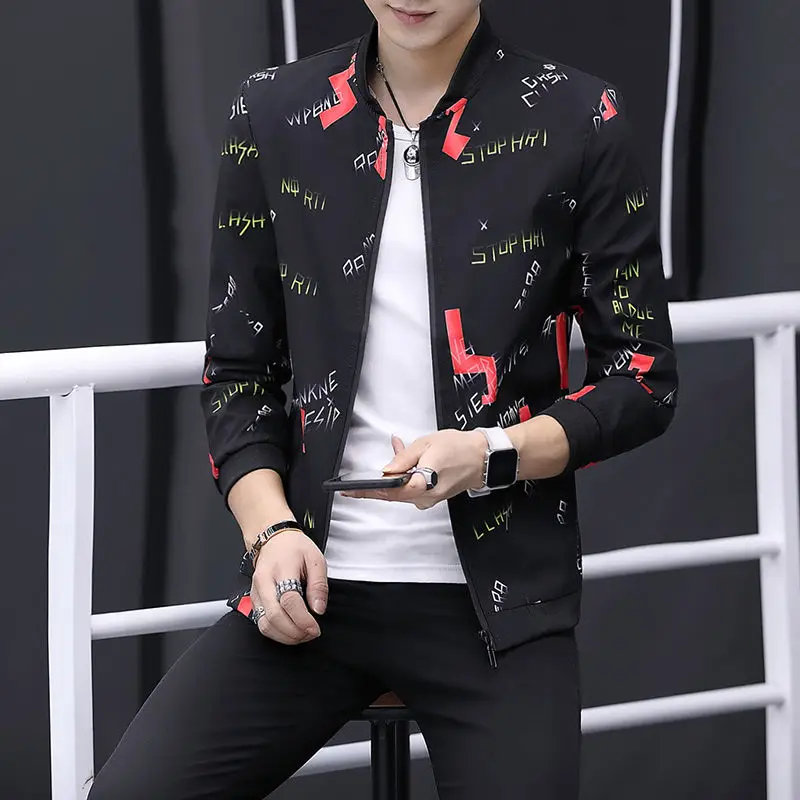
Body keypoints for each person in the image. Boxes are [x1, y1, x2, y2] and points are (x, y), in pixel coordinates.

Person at [89, 1, 678, 798]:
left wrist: (491, 454)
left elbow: (642, 380)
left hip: (499, 609)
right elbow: (236, 374)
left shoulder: (580, 118)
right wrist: (270, 534)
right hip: (313, 589)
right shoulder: (274, 111)